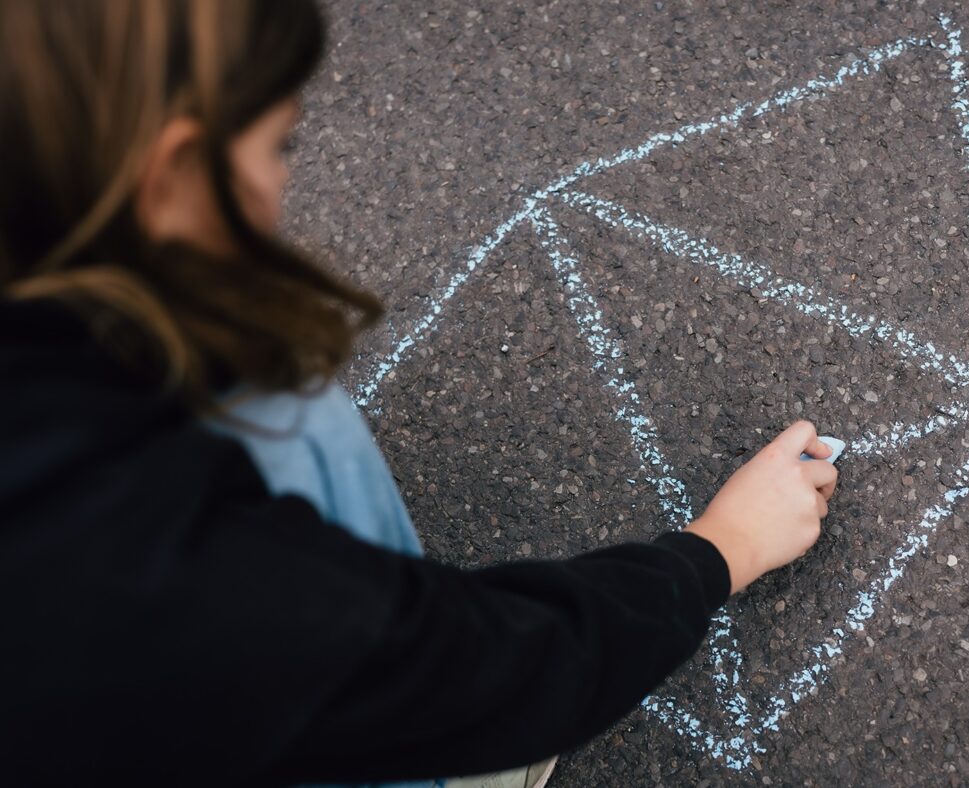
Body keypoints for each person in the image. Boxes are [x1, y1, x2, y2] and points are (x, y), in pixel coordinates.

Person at [0, 1, 838, 786]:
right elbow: (492, 671)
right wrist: (722, 549)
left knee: (274, 390)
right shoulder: (166, 582)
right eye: (280, 144)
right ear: (173, 173)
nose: (284, 178)